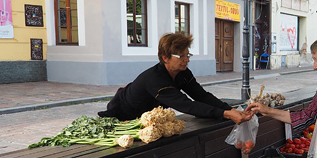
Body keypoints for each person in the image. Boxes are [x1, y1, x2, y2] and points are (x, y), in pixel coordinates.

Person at [98, 32, 251, 124]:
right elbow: (186, 105)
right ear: (165, 58)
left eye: (188, 55)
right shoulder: (155, 79)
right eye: (182, 56)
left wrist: (229, 109)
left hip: (147, 118)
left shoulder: (183, 73)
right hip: (124, 117)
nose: (187, 60)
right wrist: (226, 114)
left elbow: (201, 96)